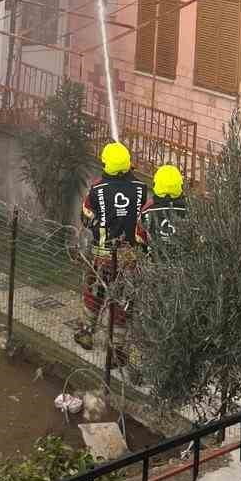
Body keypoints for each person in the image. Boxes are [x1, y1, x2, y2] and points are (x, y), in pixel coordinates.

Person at [73, 141, 148, 364]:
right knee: (123, 302)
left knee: (95, 294)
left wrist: (97, 225)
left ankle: (86, 333)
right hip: (129, 259)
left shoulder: (97, 189)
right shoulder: (141, 189)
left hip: (103, 255)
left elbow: (85, 215)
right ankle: (116, 352)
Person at [142, 164, 188, 245]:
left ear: (155, 184)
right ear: (180, 185)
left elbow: (140, 236)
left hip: (153, 255)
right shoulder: (190, 211)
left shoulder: (148, 210)